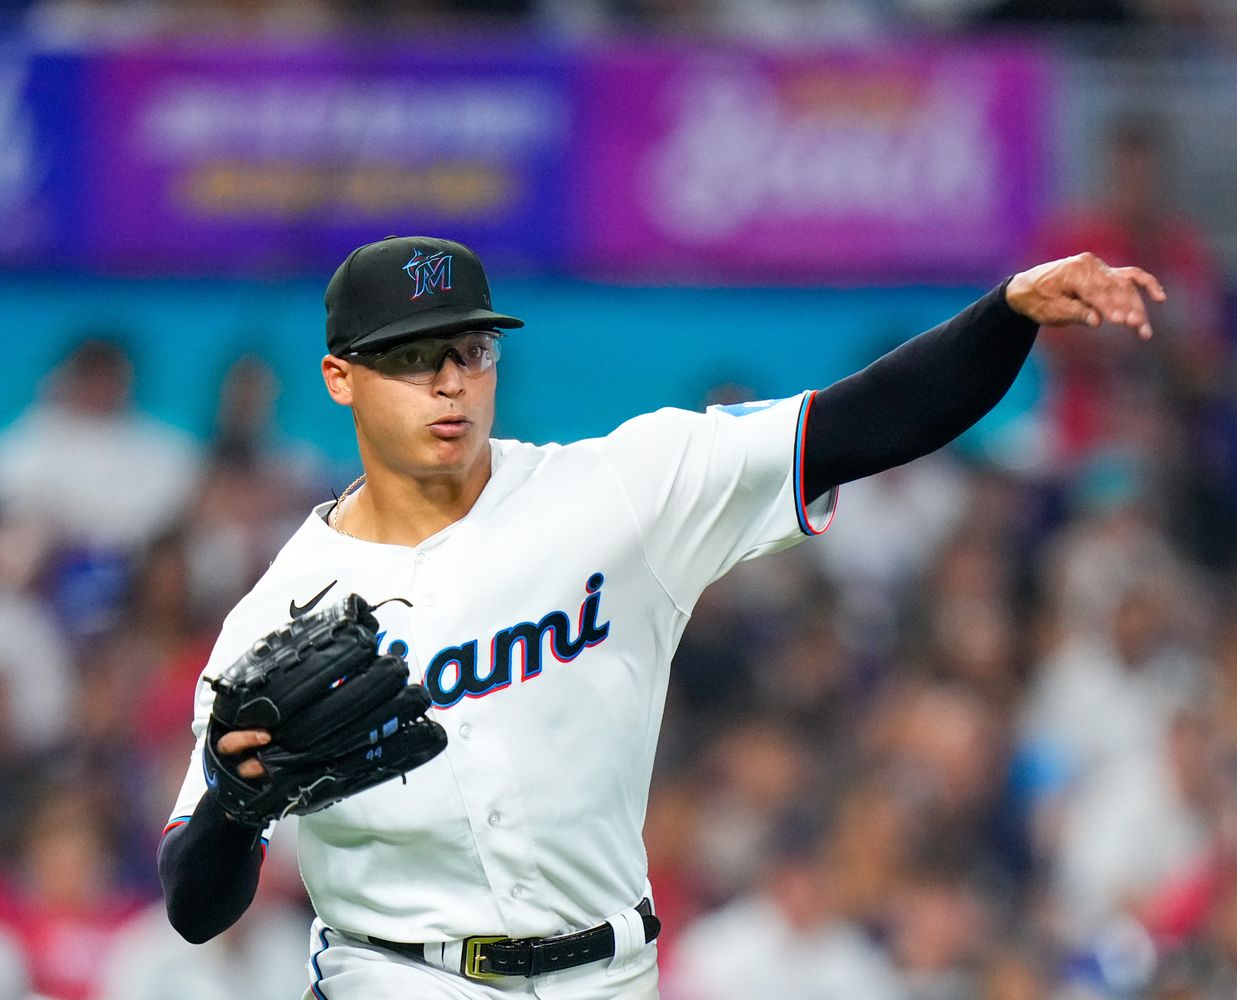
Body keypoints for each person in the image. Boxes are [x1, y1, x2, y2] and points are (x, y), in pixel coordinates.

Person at [157, 235, 1163, 999]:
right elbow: (195, 905)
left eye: (468, 349)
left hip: (607, 972)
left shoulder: (619, 493)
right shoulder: (278, 613)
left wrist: (1009, 312)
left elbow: (865, 419)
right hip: (397, 975)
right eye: (412, 358)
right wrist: (235, 813)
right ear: (340, 378)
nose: (450, 380)